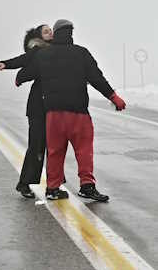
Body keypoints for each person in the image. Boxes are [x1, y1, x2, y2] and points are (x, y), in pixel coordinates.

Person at [16, 19, 125, 202]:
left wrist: (19, 79)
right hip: (78, 113)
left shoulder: (44, 55)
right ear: (71, 33)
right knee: (84, 151)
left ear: (56, 34)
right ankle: (87, 186)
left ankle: (52, 189)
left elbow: (24, 75)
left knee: (55, 152)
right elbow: (97, 78)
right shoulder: (81, 53)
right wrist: (113, 97)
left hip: (53, 115)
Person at [0, 24, 53, 198]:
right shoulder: (36, 51)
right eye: (46, 31)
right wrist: (5, 64)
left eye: (50, 30)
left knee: (54, 148)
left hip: (53, 106)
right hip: (37, 106)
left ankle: (54, 185)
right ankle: (24, 183)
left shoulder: (58, 50)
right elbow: (21, 60)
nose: (50, 32)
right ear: (39, 37)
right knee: (36, 146)